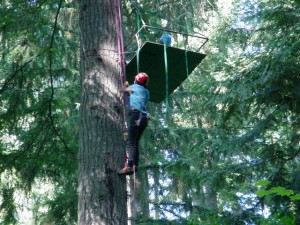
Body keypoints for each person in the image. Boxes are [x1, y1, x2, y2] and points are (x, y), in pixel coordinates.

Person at [118, 72, 150, 175]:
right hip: (144, 118)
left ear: (136, 80)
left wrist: (126, 84)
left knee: (131, 142)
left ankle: (129, 166)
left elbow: (122, 90)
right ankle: (135, 166)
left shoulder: (134, 87)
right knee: (135, 142)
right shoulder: (146, 91)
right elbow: (134, 95)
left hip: (136, 115)